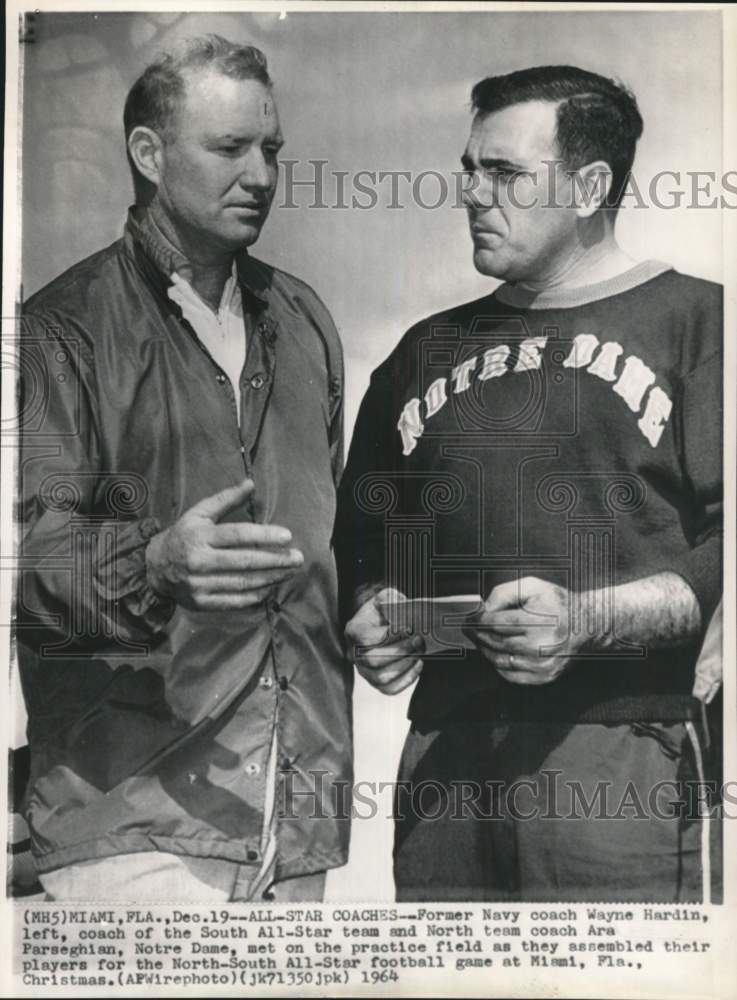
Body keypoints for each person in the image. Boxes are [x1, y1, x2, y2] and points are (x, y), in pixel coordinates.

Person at [335, 65, 722, 903]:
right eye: (469, 169)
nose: (471, 193)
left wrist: (585, 619)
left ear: (587, 186)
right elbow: (364, 540)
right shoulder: (419, 353)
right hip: (445, 758)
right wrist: (372, 611)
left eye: (503, 172)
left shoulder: (700, 323)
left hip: (622, 754)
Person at [17, 35, 351, 902]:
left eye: (270, 149)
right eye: (230, 148)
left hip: (294, 824)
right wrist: (154, 563)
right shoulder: (58, 330)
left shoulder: (305, 321)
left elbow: (330, 540)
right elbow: (25, 557)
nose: (262, 175)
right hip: (129, 827)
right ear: (148, 154)